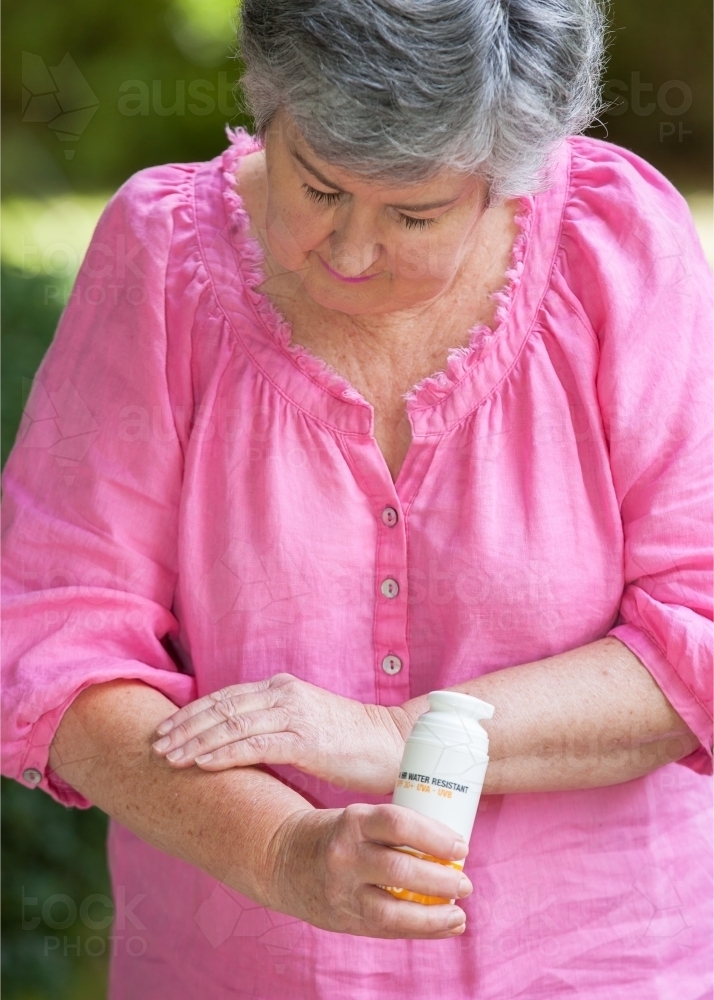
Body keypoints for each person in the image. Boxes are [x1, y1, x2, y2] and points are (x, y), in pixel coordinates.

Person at [2, 1, 712, 997]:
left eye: (414, 214)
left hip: (606, 961)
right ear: (272, 107)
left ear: (511, 178)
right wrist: (280, 851)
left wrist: (391, 736)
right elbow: (56, 645)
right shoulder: (162, 257)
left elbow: (698, 630)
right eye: (317, 186)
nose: (346, 250)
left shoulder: (618, 245)